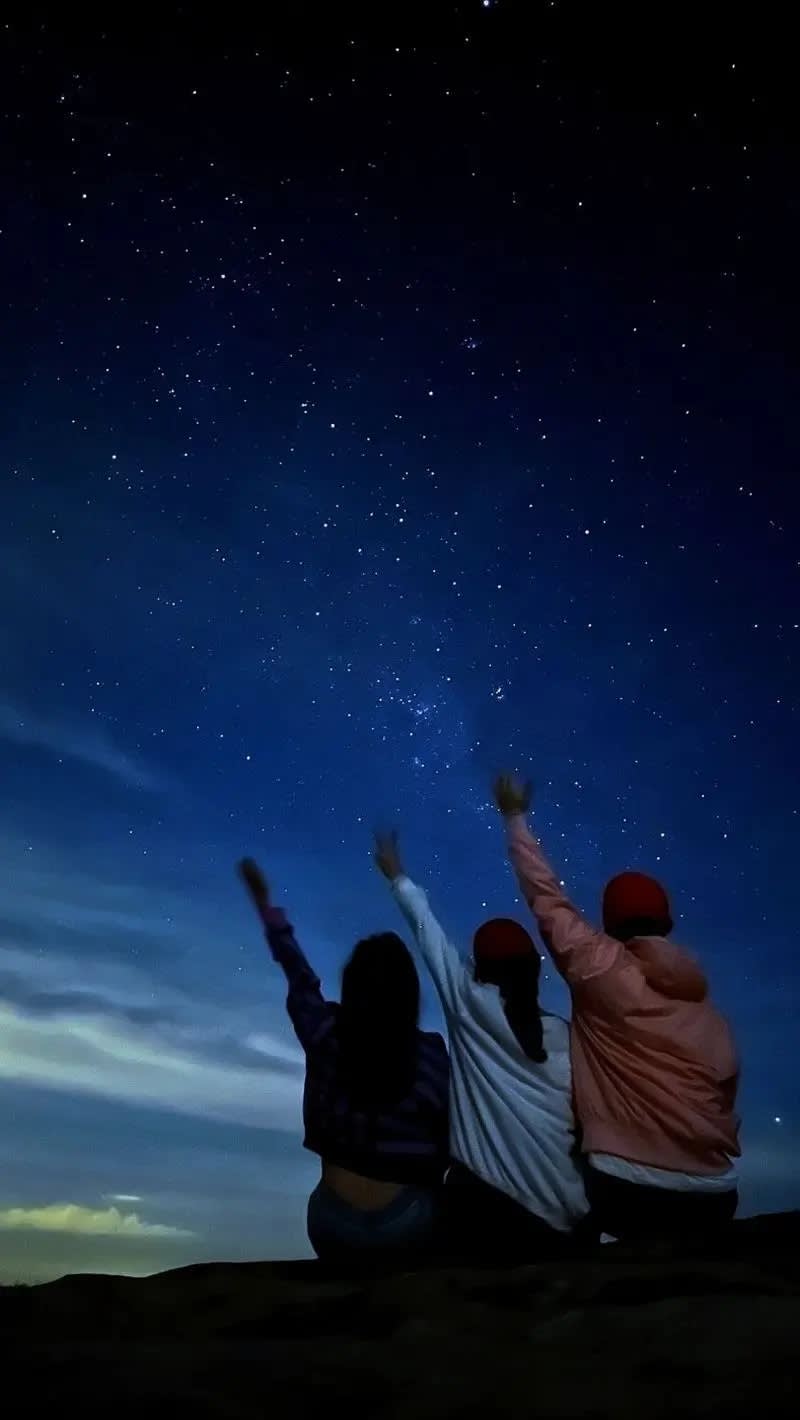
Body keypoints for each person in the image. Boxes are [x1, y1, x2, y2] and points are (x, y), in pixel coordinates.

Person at [493, 774, 741, 1243]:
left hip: (624, 1192)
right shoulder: (713, 1017)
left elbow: (546, 899)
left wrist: (514, 818)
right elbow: (725, 1101)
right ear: (666, 922)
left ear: (609, 922)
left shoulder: (598, 969)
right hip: (715, 1197)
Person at [373, 830, 591, 1262]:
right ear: (533, 972)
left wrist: (398, 877)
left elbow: (429, 934)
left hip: (483, 1213)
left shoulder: (468, 1004)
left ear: (481, 968)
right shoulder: (565, 1038)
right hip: (560, 1220)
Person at [238, 858, 450, 1265]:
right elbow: (448, 1137)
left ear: (352, 986)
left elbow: (299, 976)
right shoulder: (430, 1054)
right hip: (407, 1226)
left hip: (332, 1226)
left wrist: (267, 908)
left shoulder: (325, 1034)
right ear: (409, 995)